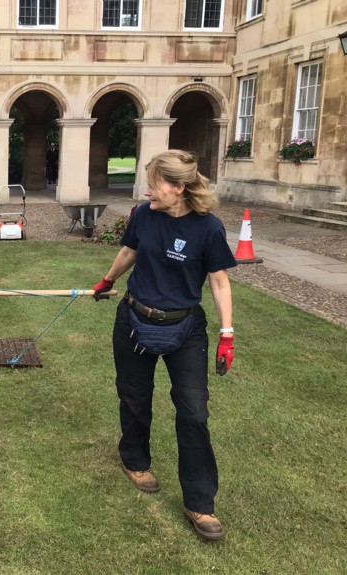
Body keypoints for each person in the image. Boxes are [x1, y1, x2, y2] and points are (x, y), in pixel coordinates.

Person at [92, 149, 236, 541]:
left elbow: (219, 281)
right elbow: (129, 251)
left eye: (153, 185)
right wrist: (108, 280)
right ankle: (135, 461)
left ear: (178, 187)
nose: (146, 192)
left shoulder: (208, 229)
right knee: (135, 398)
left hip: (184, 329)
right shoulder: (143, 216)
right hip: (136, 321)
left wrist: (227, 334)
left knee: (194, 413)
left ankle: (200, 504)